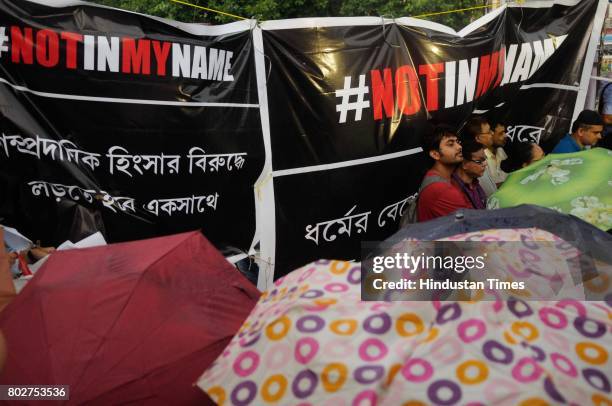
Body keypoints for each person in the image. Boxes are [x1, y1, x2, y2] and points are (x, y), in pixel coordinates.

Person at [416, 126, 472, 222]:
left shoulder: (446, 179)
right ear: (435, 154)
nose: (459, 147)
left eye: (457, 142)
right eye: (450, 144)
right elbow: (471, 224)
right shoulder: (440, 190)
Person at [461, 116, 504, 197]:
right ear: (477, 138)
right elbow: (489, 194)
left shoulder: (482, 156)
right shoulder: (474, 163)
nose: (492, 133)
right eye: (488, 132)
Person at [452, 139, 488, 210]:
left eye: (485, 160)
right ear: (464, 164)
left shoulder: (475, 183)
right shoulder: (453, 188)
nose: (485, 164)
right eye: (479, 161)